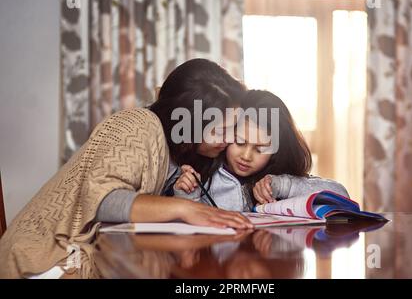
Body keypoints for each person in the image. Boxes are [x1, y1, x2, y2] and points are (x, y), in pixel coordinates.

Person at [0, 58, 253, 279]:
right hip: (42, 259)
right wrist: (184, 208)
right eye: (220, 130)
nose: (228, 139)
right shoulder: (137, 123)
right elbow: (102, 201)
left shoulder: (181, 155)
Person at [172, 90, 349, 211]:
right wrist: (187, 195)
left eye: (261, 149)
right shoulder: (205, 174)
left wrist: (282, 186)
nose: (246, 156)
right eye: (239, 142)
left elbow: (342, 195)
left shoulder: (277, 178)